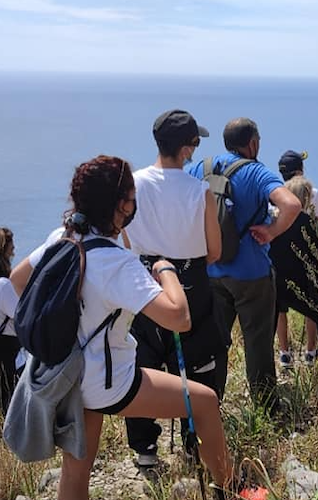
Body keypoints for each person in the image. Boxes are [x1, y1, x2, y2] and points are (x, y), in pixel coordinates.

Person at [8, 156, 232, 500]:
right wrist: (166, 271)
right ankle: (228, 488)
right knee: (204, 401)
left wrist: (68, 321)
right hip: (106, 383)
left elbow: (19, 278)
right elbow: (178, 317)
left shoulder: (63, 238)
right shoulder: (116, 263)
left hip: (66, 374)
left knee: (76, 471)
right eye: (131, 198)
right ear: (121, 206)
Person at [123, 109, 225, 467]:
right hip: (191, 283)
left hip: (143, 283)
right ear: (187, 148)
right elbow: (215, 252)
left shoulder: (132, 185)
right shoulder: (200, 192)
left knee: (141, 364)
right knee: (199, 365)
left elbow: (123, 241)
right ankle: (194, 442)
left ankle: (144, 448)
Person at [189, 118, 301, 410]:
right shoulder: (255, 171)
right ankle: (265, 405)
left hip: (210, 269)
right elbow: (291, 204)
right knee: (258, 341)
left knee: (215, 343)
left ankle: (211, 402)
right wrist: (273, 231)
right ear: (252, 143)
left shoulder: (200, 168)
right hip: (252, 273)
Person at [269, 177, 318, 368]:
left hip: (274, 283)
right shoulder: (308, 223)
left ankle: (268, 366)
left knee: (267, 328)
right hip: (300, 283)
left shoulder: (273, 219)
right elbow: (312, 260)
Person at [277, 149, 318, 365]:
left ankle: (284, 352)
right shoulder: (312, 192)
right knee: (312, 302)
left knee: (280, 306)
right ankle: (311, 351)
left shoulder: (276, 193)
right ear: (300, 170)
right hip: (306, 254)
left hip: (282, 256)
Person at [0, 227, 21, 415]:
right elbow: (23, 316)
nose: (14, 250)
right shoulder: (3, 286)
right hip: (6, 353)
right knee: (8, 404)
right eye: (11, 245)